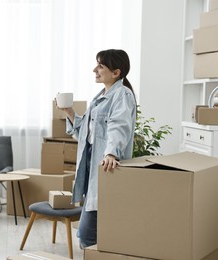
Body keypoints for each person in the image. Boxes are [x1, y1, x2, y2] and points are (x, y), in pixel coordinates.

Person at [57, 49, 137, 248]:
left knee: (87, 234)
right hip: (93, 166)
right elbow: (86, 131)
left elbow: (119, 125)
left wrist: (111, 152)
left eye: (100, 66)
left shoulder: (122, 95)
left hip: (106, 167)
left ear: (116, 72)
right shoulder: (102, 96)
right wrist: (68, 111)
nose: (95, 69)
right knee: (95, 233)